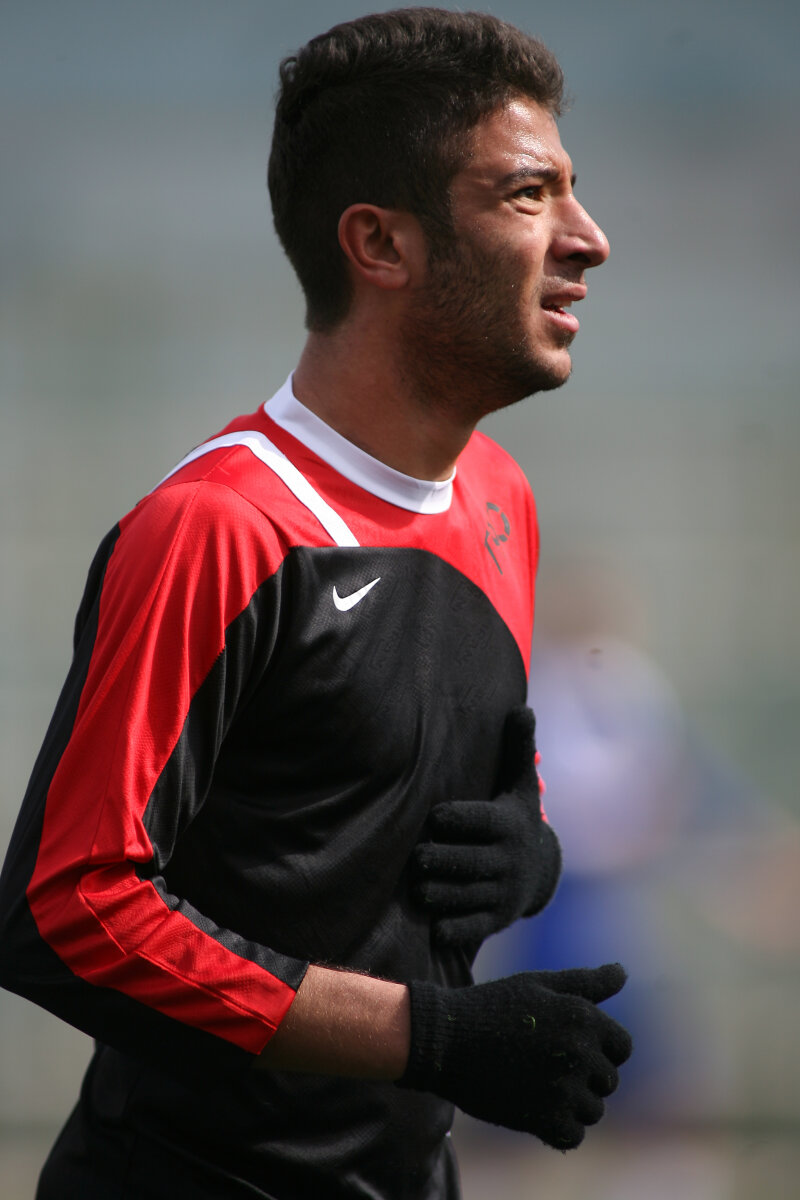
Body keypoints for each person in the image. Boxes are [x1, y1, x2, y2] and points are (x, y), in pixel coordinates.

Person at [0, 9, 632, 1198]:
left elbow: (455, 789)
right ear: (379, 244)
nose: (587, 238)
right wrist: (428, 1038)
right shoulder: (218, 528)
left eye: (570, 190)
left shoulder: (499, 497)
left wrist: (527, 854)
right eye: (525, 195)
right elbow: (68, 910)